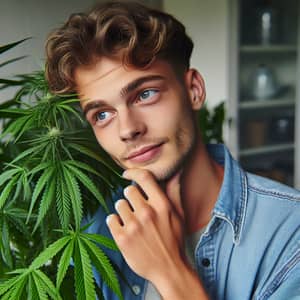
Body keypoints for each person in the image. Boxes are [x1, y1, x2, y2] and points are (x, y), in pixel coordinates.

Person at [45, 1, 300, 299]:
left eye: (145, 94)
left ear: (194, 90)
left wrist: (170, 271)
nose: (128, 130)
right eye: (102, 115)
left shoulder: (289, 233)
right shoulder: (95, 228)